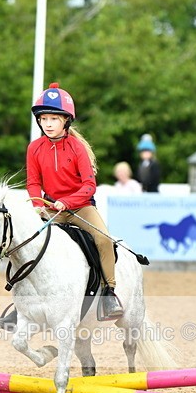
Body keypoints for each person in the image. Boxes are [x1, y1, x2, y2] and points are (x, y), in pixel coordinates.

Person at [26, 82, 123, 320]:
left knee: (104, 240)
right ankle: (23, 301)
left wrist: (67, 202)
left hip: (81, 208)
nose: (47, 124)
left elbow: (89, 186)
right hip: (50, 209)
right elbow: (33, 183)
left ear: (66, 121)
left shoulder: (77, 148)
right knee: (26, 244)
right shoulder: (34, 148)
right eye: (44, 118)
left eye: (53, 119)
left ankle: (109, 293)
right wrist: (37, 204)